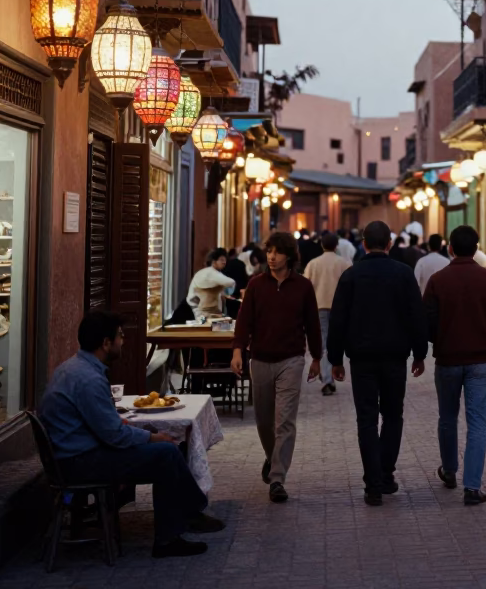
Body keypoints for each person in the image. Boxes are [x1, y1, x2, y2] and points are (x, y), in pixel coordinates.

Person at [39, 310, 223, 558]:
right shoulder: (88, 379)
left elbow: (103, 424)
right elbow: (114, 436)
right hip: (81, 462)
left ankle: (187, 514)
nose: (123, 342)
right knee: (166, 453)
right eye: (120, 336)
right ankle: (172, 534)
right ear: (106, 343)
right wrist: (152, 437)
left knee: (170, 449)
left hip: (77, 454)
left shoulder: (72, 367)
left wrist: (139, 433)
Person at [327, 220, 428, 506]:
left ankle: (373, 484)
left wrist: (335, 358)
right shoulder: (403, 274)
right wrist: (420, 353)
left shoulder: (352, 275)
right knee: (393, 415)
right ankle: (386, 473)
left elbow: (338, 319)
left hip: (361, 358)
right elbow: (416, 316)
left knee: (367, 419)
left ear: (363, 242)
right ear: (389, 244)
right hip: (396, 356)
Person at [231, 233, 322, 503]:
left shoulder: (303, 286)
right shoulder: (256, 285)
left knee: (285, 421)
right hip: (259, 358)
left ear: (289, 256)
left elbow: (313, 324)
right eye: (269, 251)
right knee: (264, 421)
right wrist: (238, 350)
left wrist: (317, 357)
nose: (271, 257)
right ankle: (272, 458)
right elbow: (244, 320)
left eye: (277, 252)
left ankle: (278, 478)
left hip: (291, 359)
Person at [424, 225, 486, 505]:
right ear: (477, 248)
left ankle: (449, 470)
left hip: (447, 360)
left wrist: (439, 340)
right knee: (477, 423)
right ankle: (472, 486)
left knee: (447, 418)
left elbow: (427, 320)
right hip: (480, 361)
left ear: (450, 248)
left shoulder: (438, 280)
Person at [303, 232, 352, 397]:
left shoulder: (313, 264)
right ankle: (332, 373)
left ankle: (327, 379)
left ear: (321, 245)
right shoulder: (344, 263)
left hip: (319, 307)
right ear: (336, 245)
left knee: (323, 342)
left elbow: (306, 287)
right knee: (337, 342)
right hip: (340, 308)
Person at [186, 249, 236, 322]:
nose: (224, 262)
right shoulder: (210, 273)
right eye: (221, 260)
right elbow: (231, 282)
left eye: (225, 260)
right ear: (214, 261)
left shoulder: (208, 273)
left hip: (205, 313)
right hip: (204, 314)